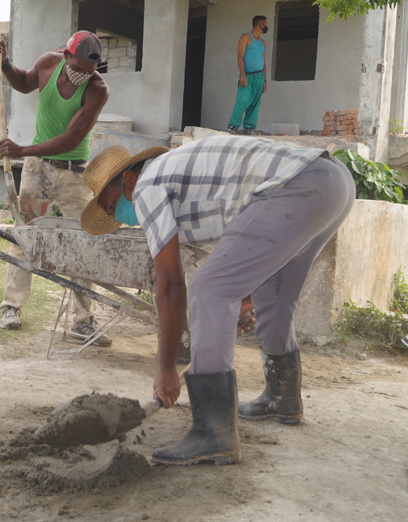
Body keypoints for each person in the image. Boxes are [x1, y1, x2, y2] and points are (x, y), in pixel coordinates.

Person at [80, 136, 355, 465]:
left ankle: (213, 432)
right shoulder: (180, 179)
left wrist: (166, 368)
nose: (121, 217)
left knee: (207, 287)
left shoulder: (145, 187)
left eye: (112, 206)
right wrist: (235, 304)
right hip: (332, 181)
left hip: (297, 184)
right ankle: (283, 397)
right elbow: (253, 261)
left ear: (127, 178)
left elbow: (171, 285)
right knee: (274, 292)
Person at [0, 32, 112, 345]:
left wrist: (23, 151)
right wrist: (5, 64)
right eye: (77, 67)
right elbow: (24, 83)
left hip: (74, 174)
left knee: (85, 241)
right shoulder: (48, 63)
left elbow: (72, 139)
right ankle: (11, 307)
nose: (80, 75)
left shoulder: (97, 89)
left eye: (88, 71)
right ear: (66, 55)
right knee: (24, 232)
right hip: (38, 171)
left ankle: (82, 321)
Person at [228, 15, 268, 135]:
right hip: (247, 75)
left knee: (255, 103)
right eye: (265, 24)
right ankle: (233, 126)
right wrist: (243, 75)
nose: (266, 26)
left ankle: (250, 127)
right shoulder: (245, 37)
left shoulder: (263, 43)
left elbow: (264, 63)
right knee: (242, 101)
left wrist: (265, 81)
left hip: (260, 77)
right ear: (260, 24)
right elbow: (240, 57)